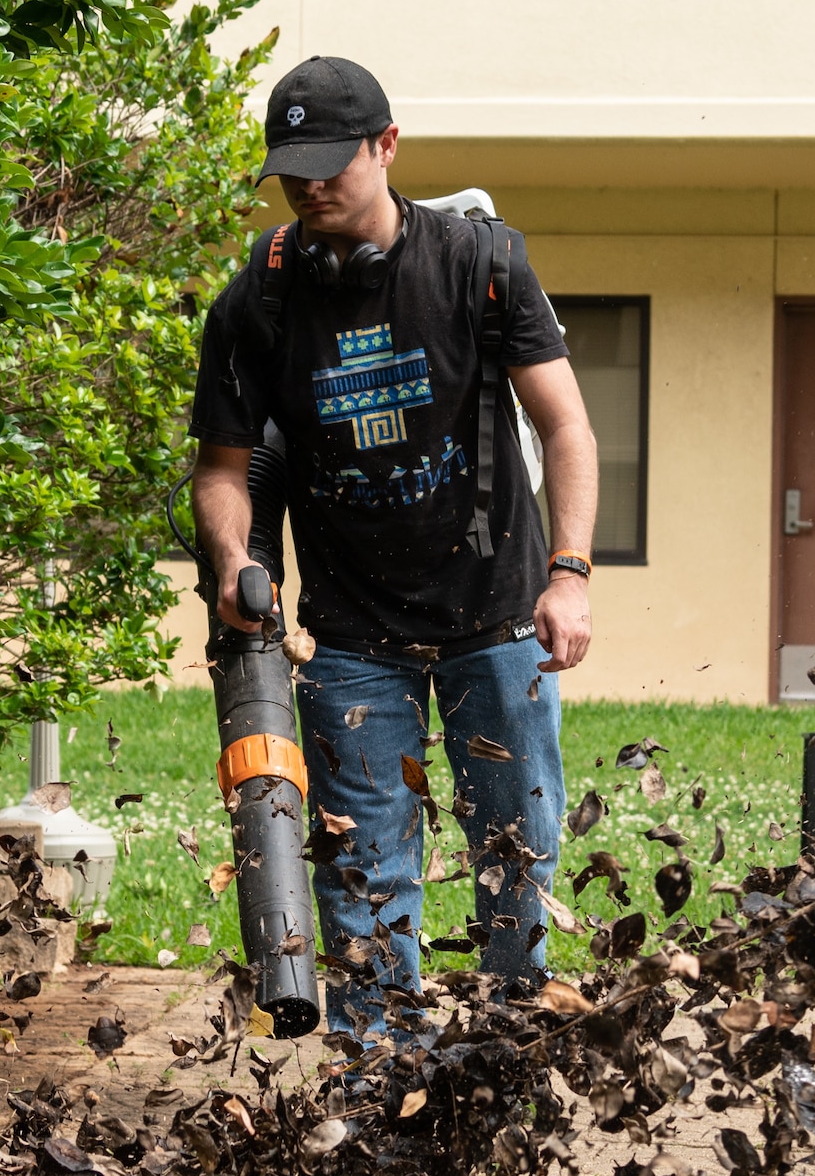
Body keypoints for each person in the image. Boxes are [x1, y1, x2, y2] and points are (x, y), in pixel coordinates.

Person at [188, 55, 599, 1030]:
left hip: (495, 613)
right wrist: (233, 560)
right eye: (292, 169)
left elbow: (566, 428)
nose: (311, 185)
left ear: (386, 147)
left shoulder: (477, 264)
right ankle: (378, 1090)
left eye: (332, 160)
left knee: (516, 849)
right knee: (363, 870)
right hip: (348, 636)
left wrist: (569, 575)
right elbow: (219, 469)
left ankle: (505, 1042)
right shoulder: (260, 301)